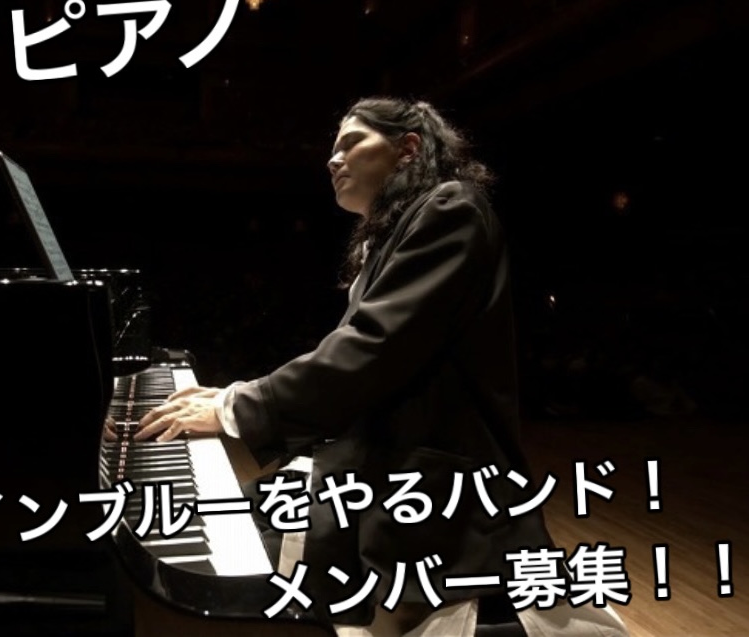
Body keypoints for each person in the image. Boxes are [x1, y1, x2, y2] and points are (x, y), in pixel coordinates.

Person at [136, 97, 631, 636]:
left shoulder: (451, 208)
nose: (333, 159)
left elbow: (372, 348)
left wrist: (239, 404)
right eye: (333, 149)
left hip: (431, 485)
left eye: (351, 143)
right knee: (246, 523)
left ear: (408, 149)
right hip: (381, 469)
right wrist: (239, 396)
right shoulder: (397, 231)